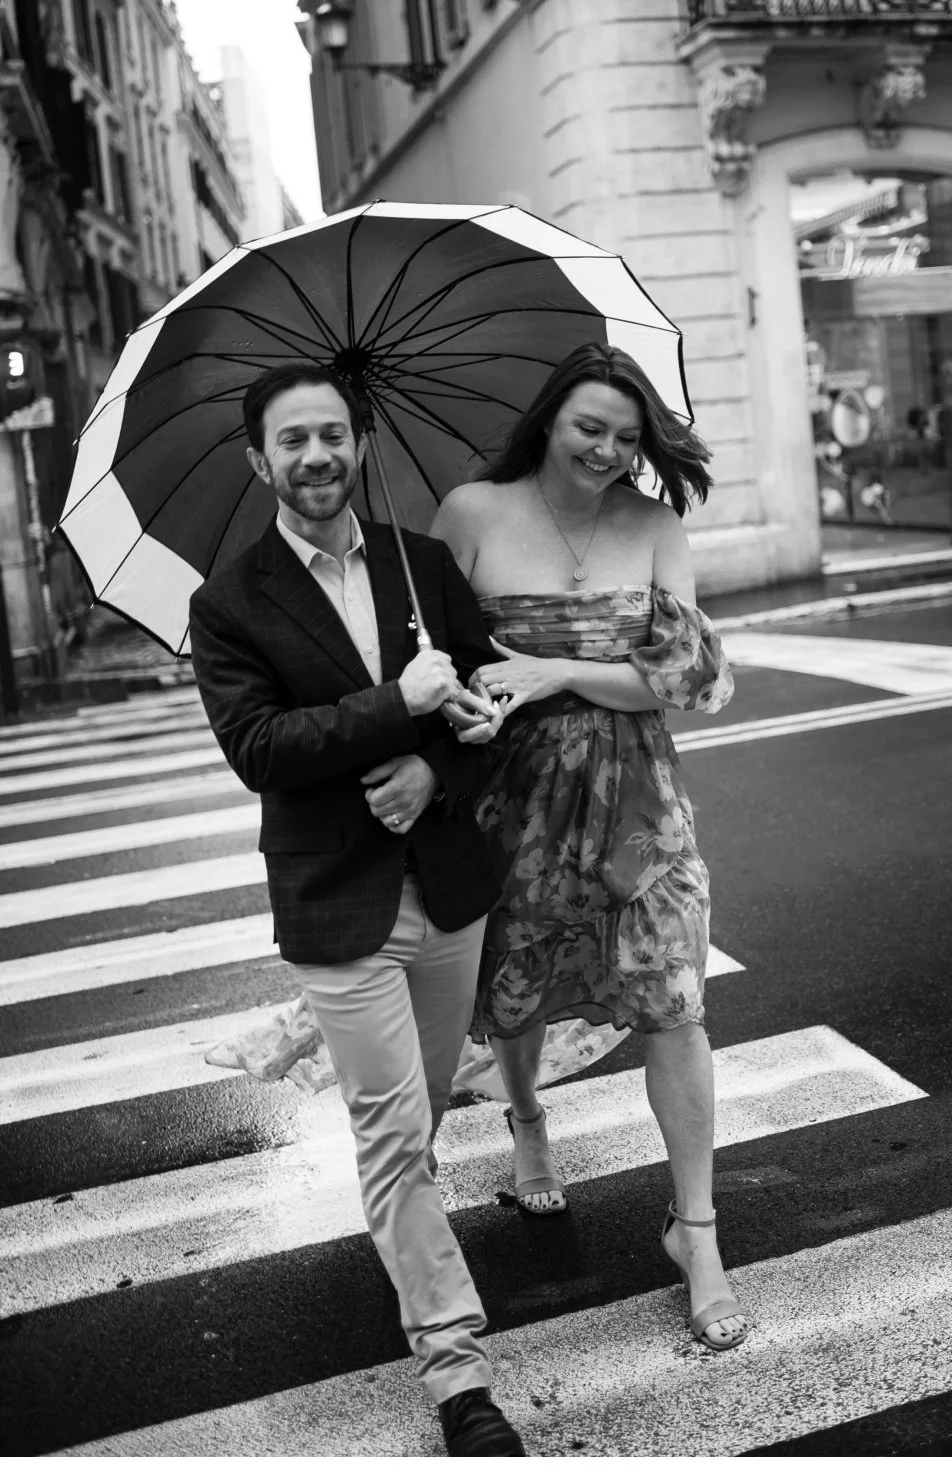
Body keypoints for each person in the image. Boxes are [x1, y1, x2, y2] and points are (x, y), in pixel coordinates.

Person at [187, 362, 526, 1456]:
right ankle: (459, 1374)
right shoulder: (228, 601)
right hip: (340, 906)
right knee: (390, 1138)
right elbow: (259, 749)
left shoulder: (422, 567)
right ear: (259, 461)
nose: (316, 456)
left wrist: (440, 762)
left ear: (360, 441)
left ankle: (402, 1229)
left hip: (451, 890)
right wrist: (399, 705)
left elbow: (493, 708)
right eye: (292, 441)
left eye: (332, 434)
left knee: (415, 1122)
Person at [432, 341, 749, 1353]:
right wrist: (477, 692)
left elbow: (680, 681)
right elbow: (432, 661)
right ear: (548, 422)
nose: (607, 450)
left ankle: (694, 1232)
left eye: (625, 435)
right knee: (515, 986)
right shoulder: (471, 514)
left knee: (674, 1002)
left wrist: (549, 668)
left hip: (637, 807)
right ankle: (525, 1113)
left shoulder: (652, 524)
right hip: (510, 799)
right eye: (588, 429)